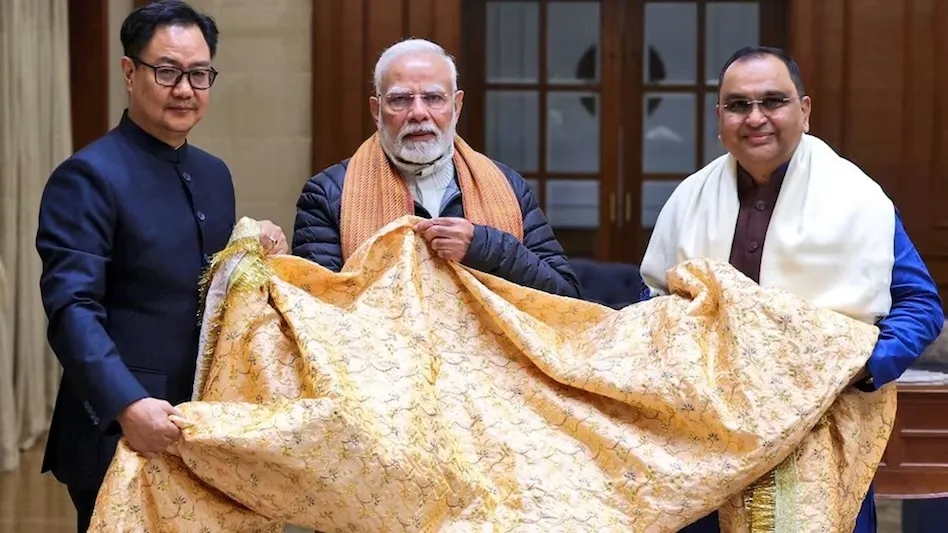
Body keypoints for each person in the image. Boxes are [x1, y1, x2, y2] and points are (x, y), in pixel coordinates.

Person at [639, 46, 943, 533]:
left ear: (804, 110)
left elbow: (919, 304)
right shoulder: (688, 199)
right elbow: (653, 299)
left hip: (820, 428)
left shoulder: (858, 200)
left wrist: (863, 367)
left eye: (773, 101)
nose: (755, 117)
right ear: (719, 119)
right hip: (706, 437)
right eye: (738, 105)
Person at [35, 2, 287, 531]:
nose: (185, 89)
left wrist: (251, 248)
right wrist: (126, 403)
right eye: (167, 71)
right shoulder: (87, 176)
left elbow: (207, 290)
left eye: (200, 74)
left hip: (201, 425)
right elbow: (71, 308)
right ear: (130, 72)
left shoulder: (214, 175)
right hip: (122, 428)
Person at [292, 38, 580, 298]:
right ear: (376, 111)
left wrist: (483, 246)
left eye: (433, 98)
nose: (418, 113)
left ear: (457, 106)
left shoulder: (507, 185)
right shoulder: (329, 194)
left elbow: (566, 297)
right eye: (400, 100)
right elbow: (315, 311)